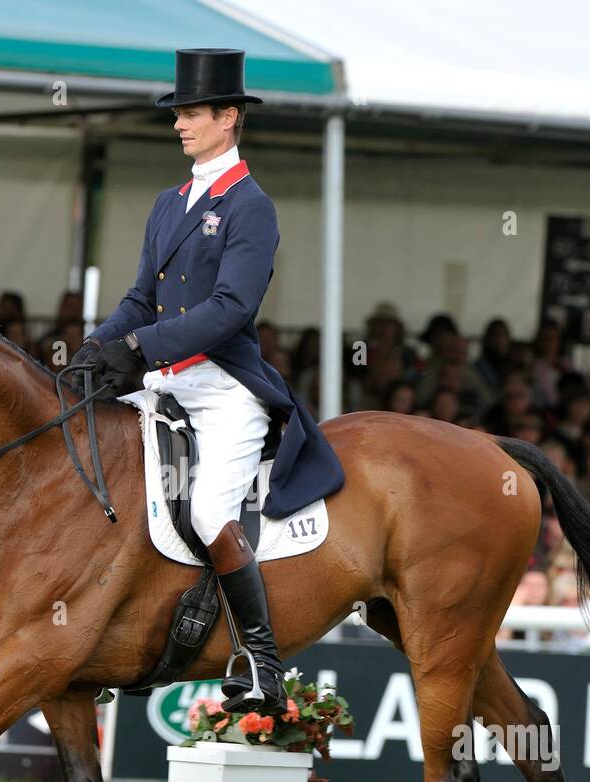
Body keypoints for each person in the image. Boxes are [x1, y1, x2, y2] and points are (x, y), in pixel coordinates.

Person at [70, 48, 344, 710]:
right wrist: (96, 347)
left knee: (207, 510)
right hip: (164, 382)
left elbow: (230, 310)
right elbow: (140, 296)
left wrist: (138, 346)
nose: (179, 125)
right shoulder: (169, 203)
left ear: (228, 117)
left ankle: (261, 663)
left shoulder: (252, 206)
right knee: (111, 482)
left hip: (224, 387)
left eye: (191, 113)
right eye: (179, 114)